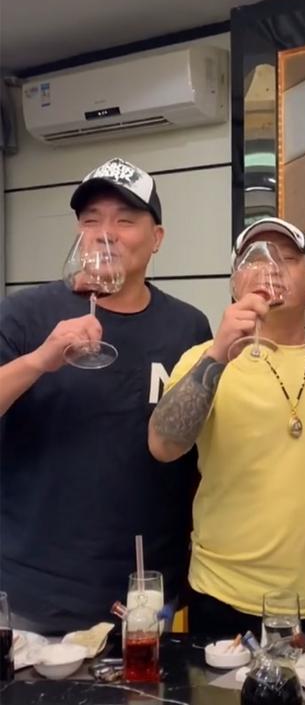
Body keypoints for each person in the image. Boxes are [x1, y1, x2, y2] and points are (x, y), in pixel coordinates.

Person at [0, 158, 212, 634]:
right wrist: (40, 360)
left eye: (125, 220)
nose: (105, 234)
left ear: (157, 238)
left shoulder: (188, 326)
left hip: (148, 592)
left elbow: (198, 448)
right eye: (91, 220)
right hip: (34, 597)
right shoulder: (23, 314)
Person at [148, 217, 305, 642]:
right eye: (254, 260)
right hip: (223, 595)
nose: (270, 268)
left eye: (286, 258)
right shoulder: (204, 358)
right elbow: (163, 445)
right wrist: (220, 352)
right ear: (235, 283)